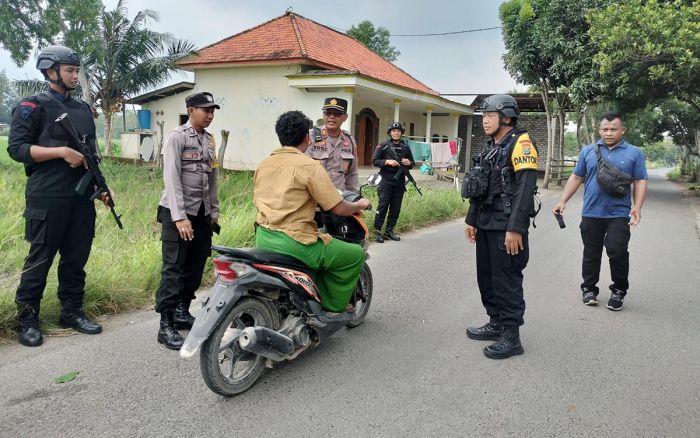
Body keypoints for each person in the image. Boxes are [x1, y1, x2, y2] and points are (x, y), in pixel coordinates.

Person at [8, 45, 105, 347]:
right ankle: (26, 319)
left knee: (76, 260)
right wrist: (61, 152)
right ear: (51, 72)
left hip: (81, 199)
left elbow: (92, 153)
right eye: (70, 70)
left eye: (77, 71)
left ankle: (71, 312)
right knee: (40, 260)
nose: (76, 76)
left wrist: (101, 186)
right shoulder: (31, 107)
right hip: (47, 198)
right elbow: (18, 149)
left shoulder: (83, 110)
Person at [254, 110, 370, 313]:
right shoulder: (310, 166)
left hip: (264, 237)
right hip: (296, 242)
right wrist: (360, 205)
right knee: (354, 254)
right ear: (307, 137)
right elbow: (338, 207)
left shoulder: (264, 165)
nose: (331, 117)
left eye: (336, 114)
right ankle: (334, 306)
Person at [464, 94, 539, 359]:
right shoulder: (491, 146)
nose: (484, 121)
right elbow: (480, 185)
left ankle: (511, 336)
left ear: (505, 117)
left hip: (506, 225)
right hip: (486, 222)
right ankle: (495, 322)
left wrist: (516, 228)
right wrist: (472, 220)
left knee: (506, 280)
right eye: (483, 116)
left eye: (489, 116)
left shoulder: (522, 144)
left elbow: (525, 189)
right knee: (486, 277)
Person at [553, 112, 647, 311]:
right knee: (591, 252)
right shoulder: (588, 151)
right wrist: (562, 201)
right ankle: (589, 289)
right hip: (591, 213)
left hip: (619, 214)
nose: (609, 133)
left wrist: (637, 207)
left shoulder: (634, 152)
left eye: (614, 129)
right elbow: (576, 177)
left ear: (623, 130)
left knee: (618, 250)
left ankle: (619, 290)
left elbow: (640, 180)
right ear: (599, 130)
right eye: (605, 129)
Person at [154, 92, 220, 349]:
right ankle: (166, 323)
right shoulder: (177, 138)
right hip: (177, 214)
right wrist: (179, 217)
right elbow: (171, 179)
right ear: (191, 110)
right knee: (174, 268)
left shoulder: (209, 140)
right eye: (205, 110)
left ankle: (182, 311)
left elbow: (212, 178)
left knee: (195, 264)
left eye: (213, 110)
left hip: (202, 213)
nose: (210, 115)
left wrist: (213, 212)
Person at [371, 122, 415, 242]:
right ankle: (377, 231)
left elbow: (413, 163)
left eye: (399, 131)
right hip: (386, 180)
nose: (396, 133)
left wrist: (409, 163)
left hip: (400, 181)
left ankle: (389, 231)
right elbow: (375, 161)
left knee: (396, 207)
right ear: (390, 133)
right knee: (383, 205)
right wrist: (387, 162)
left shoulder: (405, 147)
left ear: (401, 133)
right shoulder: (383, 145)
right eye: (394, 131)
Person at [305, 97, 359, 192]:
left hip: (339, 198)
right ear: (323, 115)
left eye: (337, 114)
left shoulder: (349, 140)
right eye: (328, 113)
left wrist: (352, 197)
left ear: (345, 117)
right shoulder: (310, 136)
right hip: (314, 198)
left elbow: (352, 174)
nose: (331, 117)